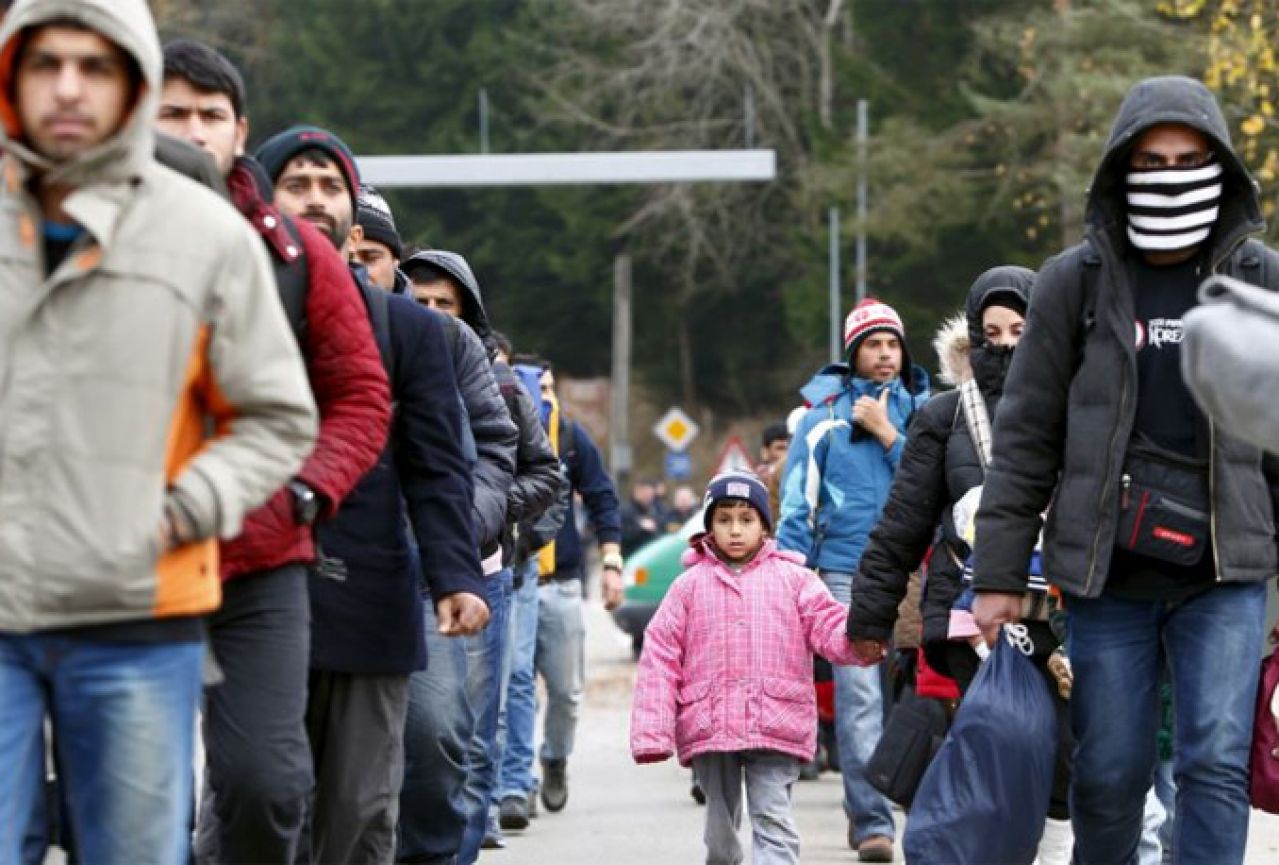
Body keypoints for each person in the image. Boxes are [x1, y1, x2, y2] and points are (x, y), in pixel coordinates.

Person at [0, 2, 319, 862]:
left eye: (96, 65)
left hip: (137, 613)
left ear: (134, 81)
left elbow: (280, 412)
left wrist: (187, 506)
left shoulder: (207, 236)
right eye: (45, 63)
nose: (69, 88)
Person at [971, 76, 1279, 865]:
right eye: (1151, 160)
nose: (1171, 175)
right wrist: (999, 571)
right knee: (1108, 773)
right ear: (1120, 168)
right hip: (1107, 574)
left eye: (1188, 159)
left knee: (1213, 763)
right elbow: (1028, 433)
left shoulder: (1258, 279)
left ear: (1219, 167)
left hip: (1226, 573)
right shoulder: (1072, 281)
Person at [157, 39, 394, 863]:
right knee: (114, 797)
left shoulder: (296, 257)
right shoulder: (70, 232)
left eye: (209, 115)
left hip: (259, 561)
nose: (192, 130)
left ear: (238, 130)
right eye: (172, 112)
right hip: (113, 561)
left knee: (266, 783)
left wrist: (304, 491)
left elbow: (362, 395)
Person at [254, 124, 490, 861]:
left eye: (330, 187)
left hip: (370, 596)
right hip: (251, 591)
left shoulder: (412, 332)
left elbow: (437, 464)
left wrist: (454, 572)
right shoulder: (225, 306)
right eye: (298, 184)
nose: (316, 200)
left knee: (360, 811)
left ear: (353, 217)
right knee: (257, 796)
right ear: (264, 200)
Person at [844, 267, 1074, 864]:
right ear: (972, 337)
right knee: (996, 752)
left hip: (1059, 612)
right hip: (966, 620)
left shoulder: (1076, 407)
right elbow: (903, 524)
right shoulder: (943, 417)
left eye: (1020, 329)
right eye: (991, 331)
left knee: (1059, 759)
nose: (1004, 343)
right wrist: (869, 619)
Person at [398, 249, 561, 862]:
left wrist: (474, 520)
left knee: (465, 734)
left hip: (484, 573)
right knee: (414, 739)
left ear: (469, 314)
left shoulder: (499, 387)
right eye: (423, 303)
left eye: (447, 304)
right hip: (398, 568)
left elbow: (542, 472)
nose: (435, 314)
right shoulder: (387, 360)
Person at [631, 471, 872, 865]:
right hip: (710, 723)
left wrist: (862, 638)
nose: (736, 531)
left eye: (747, 519)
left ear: (765, 526)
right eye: (724, 520)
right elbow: (660, 656)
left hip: (776, 718)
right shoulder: (689, 586)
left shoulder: (796, 580)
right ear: (709, 526)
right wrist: (653, 731)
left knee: (773, 818)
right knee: (720, 829)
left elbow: (829, 625)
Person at [776, 298, 929, 863]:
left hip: (918, 574)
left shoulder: (926, 412)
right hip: (846, 574)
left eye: (892, 343)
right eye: (873, 344)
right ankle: (871, 823)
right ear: (853, 354)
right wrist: (791, 578)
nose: (885, 354)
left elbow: (936, 485)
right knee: (860, 700)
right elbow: (797, 507)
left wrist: (889, 432)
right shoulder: (823, 423)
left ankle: (920, 809)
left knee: (914, 702)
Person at [500, 362, 624, 821]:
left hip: (564, 584)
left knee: (566, 692)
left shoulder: (571, 439)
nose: (546, 396)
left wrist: (611, 563)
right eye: (539, 388)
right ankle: (517, 781)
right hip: (516, 579)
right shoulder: (504, 432)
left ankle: (554, 757)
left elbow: (603, 498)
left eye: (552, 387)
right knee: (515, 683)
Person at [620, 479, 663, 555]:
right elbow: (622, 535)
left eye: (650, 495)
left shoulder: (655, 511)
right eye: (645, 494)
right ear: (637, 493)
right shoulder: (625, 511)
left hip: (651, 556)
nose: (648, 498)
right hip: (632, 557)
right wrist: (640, 527)